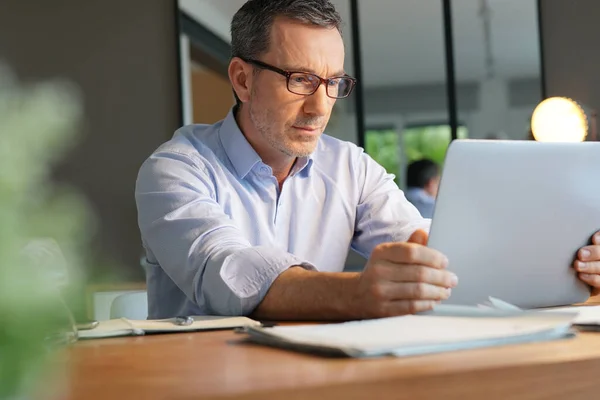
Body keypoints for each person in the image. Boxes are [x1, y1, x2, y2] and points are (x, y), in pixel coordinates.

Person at [135, 0, 600, 320]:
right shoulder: (174, 170)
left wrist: (567, 262)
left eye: (334, 83)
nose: (321, 107)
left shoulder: (350, 167)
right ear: (241, 78)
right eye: (300, 80)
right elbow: (228, 273)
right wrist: (357, 293)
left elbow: (429, 247)